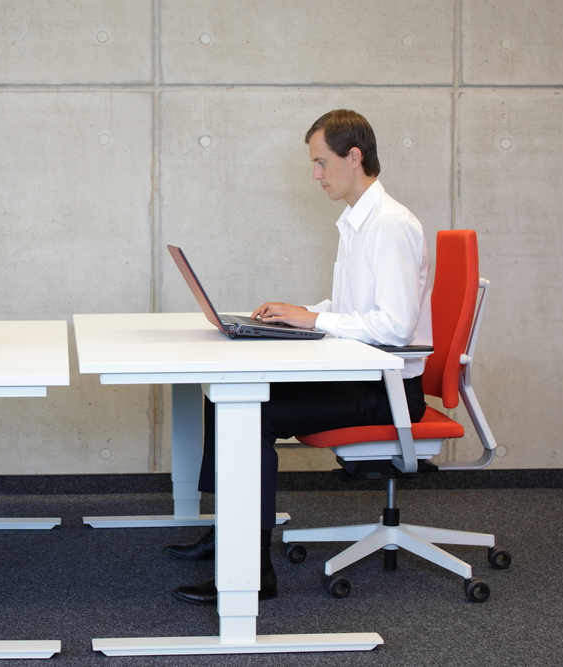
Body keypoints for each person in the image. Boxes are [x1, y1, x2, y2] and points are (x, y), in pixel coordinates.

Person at [165, 110, 432, 605]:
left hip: (388, 391)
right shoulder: (357, 222)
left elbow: (395, 326)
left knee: (253, 411)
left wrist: (316, 321)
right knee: (224, 396)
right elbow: (358, 310)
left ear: (354, 157)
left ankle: (251, 569)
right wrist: (303, 312)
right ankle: (229, 529)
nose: (316, 175)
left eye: (321, 163)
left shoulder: (391, 225)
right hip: (362, 376)